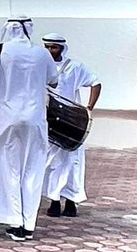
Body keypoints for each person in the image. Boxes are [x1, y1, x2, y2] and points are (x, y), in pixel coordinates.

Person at [0, 17, 58, 240]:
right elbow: (54, 80)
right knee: (32, 169)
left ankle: (14, 222)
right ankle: (29, 225)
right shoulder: (42, 53)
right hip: (34, 118)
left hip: (6, 118)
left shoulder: (1, 49)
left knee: (7, 168)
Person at [41, 34, 101, 219]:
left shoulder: (74, 67)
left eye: (55, 47)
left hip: (72, 121)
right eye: (48, 47)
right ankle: (54, 200)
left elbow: (95, 82)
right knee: (52, 162)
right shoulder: (40, 67)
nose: (51, 51)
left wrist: (89, 108)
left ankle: (71, 202)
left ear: (62, 48)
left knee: (73, 162)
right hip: (50, 121)